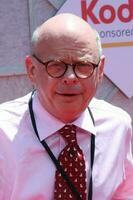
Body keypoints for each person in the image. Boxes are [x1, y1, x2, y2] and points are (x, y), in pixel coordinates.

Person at [0, 13, 133, 200]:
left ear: (100, 70)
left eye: (83, 65)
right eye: (56, 65)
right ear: (31, 70)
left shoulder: (118, 126)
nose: (70, 78)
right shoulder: (3, 131)